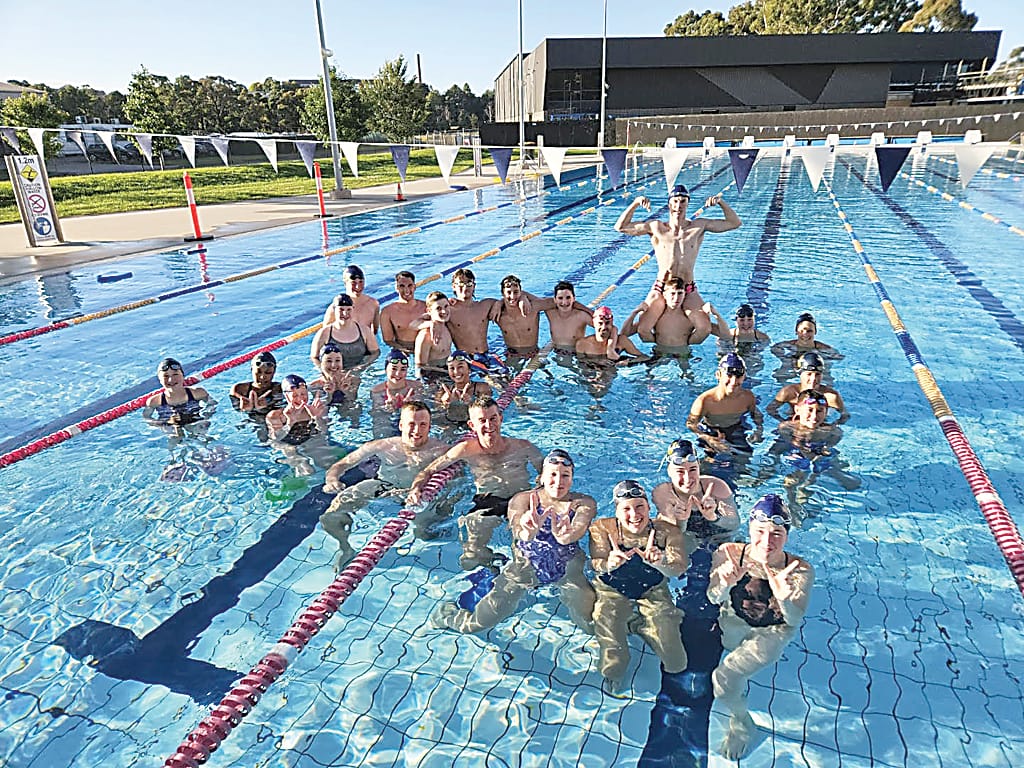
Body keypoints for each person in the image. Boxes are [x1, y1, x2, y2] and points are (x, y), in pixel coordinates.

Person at [432, 449, 597, 635]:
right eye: (552, 474)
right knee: (477, 624)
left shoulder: (583, 502)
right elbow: (519, 531)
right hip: (524, 566)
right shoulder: (523, 499)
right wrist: (528, 531)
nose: (558, 481)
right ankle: (446, 615)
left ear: (572, 479)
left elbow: (578, 529)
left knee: (590, 626)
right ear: (541, 477)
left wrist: (565, 536)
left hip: (569, 569)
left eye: (565, 475)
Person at [707, 494, 814, 759]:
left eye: (777, 532)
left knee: (723, 679)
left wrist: (784, 598)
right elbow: (713, 598)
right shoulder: (729, 553)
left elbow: (794, 620)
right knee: (726, 646)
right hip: (733, 618)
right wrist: (725, 583)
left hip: (773, 631)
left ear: (787, 535)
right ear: (750, 529)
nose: (768, 541)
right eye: (761, 531)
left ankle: (742, 721)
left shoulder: (799, 569)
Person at [408, 396, 544, 569]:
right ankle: (490, 564)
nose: (489, 426)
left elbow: (546, 474)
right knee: (470, 555)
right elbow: (428, 470)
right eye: (482, 421)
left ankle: (519, 569)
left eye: (493, 419)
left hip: (522, 500)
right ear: (472, 425)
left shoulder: (523, 446)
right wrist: (416, 488)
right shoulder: (465, 449)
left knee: (524, 550)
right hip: (487, 501)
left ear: (500, 419)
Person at [321, 401, 448, 570]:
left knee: (423, 533)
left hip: (421, 494)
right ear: (401, 425)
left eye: (422, 424)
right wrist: (332, 480)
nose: (417, 430)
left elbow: (457, 480)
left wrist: (445, 506)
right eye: (411, 424)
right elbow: (342, 464)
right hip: (384, 486)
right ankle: (345, 548)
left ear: (429, 426)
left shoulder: (440, 450)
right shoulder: (385, 445)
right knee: (331, 515)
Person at [588, 480, 688, 691]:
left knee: (676, 663)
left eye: (639, 506)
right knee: (612, 656)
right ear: (616, 510)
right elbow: (596, 564)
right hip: (611, 589)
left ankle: (636, 624)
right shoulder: (601, 529)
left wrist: (661, 563)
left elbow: (678, 569)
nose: (634, 515)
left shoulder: (668, 532)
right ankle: (620, 653)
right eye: (626, 508)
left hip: (652, 589)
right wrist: (609, 563)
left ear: (649, 507)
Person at [614, 184, 741, 344]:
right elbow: (621, 227)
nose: (678, 205)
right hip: (662, 287)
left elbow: (734, 223)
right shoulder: (656, 227)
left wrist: (721, 202)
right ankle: (660, 349)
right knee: (643, 329)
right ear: (669, 204)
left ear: (687, 203)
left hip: (688, 288)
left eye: (682, 201)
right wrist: (636, 203)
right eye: (675, 201)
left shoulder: (698, 226)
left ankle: (682, 348)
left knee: (704, 329)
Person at [652, 438, 738, 552]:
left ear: (699, 467)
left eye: (692, 469)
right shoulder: (664, 495)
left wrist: (713, 517)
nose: (688, 479)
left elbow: (734, 525)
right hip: (689, 542)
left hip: (720, 538)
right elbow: (667, 541)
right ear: (669, 471)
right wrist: (681, 521)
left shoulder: (716, 487)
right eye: (680, 471)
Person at [686, 353, 763, 455]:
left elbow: (755, 414)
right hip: (710, 430)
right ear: (718, 375)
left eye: (738, 376)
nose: (733, 381)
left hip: (736, 428)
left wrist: (759, 430)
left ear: (744, 377)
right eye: (729, 375)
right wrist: (708, 439)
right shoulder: (705, 401)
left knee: (745, 458)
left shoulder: (747, 398)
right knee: (709, 461)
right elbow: (691, 424)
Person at [265, 374, 332, 475]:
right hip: (285, 443)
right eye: (295, 395)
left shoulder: (312, 410)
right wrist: (290, 422)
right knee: (306, 469)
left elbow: (324, 432)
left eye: (303, 394)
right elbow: (276, 438)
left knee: (327, 463)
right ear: (286, 396)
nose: (300, 398)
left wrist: (317, 417)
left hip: (307, 439)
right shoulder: (276, 415)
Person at [446, 268, 507, 373]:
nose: (465, 287)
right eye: (461, 283)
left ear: (474, 286)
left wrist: (499, 303)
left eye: (469, 283)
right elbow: (430, 312)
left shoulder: (485, 305)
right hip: (466, 358)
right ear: (454, 286)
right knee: (492, 380)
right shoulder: (448, 310)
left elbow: (510, 300)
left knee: (507, 376)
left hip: (487, 355)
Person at [621, 277, 695, 357]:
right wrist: (634, 313)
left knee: (689, 370)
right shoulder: (655, 317)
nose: (676, 298)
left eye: (680, 293)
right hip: (659, 353)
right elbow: (625, 334)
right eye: (672, 293)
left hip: (683, 353)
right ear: (665, 295)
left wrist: (710, 312)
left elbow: (708, 329)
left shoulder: (690, 317)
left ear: (685, 295)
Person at [766, 352, 846, 424]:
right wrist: (785, 423)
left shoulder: (831, 397)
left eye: (817, 374)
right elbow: (770, 410)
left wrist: (829, 427)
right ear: (800, 374)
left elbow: (844, 416)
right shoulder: (788, 392)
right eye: (809, 374)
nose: (813, 379)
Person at [311, 293, 380, 370]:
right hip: (333, 373)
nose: (345, 313)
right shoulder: (324, 333)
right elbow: (315, 358)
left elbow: (375, 353)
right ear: (334, 310)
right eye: (341, 309)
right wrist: (327, 372)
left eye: (348, 309)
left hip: (361, 372)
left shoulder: (365, 331)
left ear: (353, 309)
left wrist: (363, 365)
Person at [143, 357, 212, 426]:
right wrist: (168, 422)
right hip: (170, 425)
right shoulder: (154, 401)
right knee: (173, 434)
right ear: (160, 380)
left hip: (195, 421)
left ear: (183, 376)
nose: (171, 379)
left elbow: (212, 405)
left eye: (175, 374)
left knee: (200, 428)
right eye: (165, 376)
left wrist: (204, 417)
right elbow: (147, 419)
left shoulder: (198, 393)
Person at [575, 306, 648, 364]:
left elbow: (644, 357)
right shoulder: (582, 344)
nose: (603, 327)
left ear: (612, 323)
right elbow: (581, 364)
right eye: (600, 323)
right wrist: (597, 362)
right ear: (593, 323)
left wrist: (629, 362)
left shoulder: (621, 341)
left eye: (607, 323)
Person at [436, 350, 492, 425]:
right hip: (450, 424)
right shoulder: (445, 390)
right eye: (452, 368)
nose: (456, 372)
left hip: (474, 424)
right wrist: (445, 404)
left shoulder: (481, 388)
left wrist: (471, 403)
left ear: (469, 369)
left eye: (460, 367)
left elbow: (489, 410)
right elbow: (436, 413)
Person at [323, 264, 380, 333]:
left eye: (361, 282)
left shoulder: (373, 304)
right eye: (353, 283)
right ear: (345, 283)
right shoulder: (335, 309)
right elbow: (325, 336)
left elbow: (375, 333)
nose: (357, 287)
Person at [379, 270, 426, 352]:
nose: (406, 290)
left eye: (409, 285)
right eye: (402, 286)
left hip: (425, 350)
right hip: (402, 351)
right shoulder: (387, 312)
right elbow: (388, 340)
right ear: (397, 288)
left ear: (414, 287)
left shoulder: (427, 307)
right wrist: (404, 350)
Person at [543, 280, 594, 353]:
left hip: (576, 354)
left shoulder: (582, 316)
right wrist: (524, 299)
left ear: (574, 299)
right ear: (555, 299)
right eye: (560, 298)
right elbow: (533, 301)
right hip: (556, 352)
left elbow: (605, 328)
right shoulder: (550, 312)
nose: (564, 302)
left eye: (568, 297)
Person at [414, 291, 454, 379]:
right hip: (434, 376)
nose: (444, 311)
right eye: (438, 308)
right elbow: (420, 368)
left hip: (448, 370)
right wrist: (448, 372)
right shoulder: (425, 336)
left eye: (446, 306)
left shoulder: (447, 325)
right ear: (429, 311)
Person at [771, 312, 841, 362]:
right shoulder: (787, 345)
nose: (805, 334)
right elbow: (774, 348)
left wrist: (824, 359)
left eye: (809, 331)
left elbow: (838, 357)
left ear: (815, 332)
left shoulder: (824, 348)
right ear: (796, 331)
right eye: (801, 331)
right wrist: (783, 357)